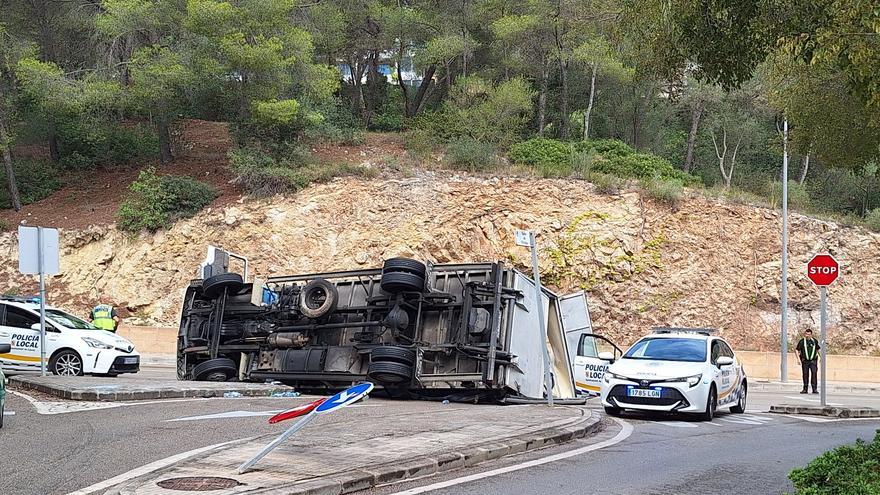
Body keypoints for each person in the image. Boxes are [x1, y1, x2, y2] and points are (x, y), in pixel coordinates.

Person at [795, 329, 820, 394]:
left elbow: (818, 349)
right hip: (805, 361)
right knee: (805, 374)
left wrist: (819, 356)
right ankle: (805, 389)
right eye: (806, 334)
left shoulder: (814, 341)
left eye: (808, 334)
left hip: (813, 361)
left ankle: (814, 389)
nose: (807, 335)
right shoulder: (802, 341)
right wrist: (798, 359)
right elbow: (797, 350)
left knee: (814, 374)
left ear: (811, 334)